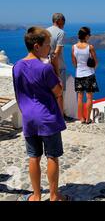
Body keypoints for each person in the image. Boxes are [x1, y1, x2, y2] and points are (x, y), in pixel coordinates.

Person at [12, 27, 69, 201]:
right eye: (47, 45)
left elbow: (18, 92)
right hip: (47, 117)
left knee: (33, 157)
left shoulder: (17, 66)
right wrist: (55, 68)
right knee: (52, 156)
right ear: (37, 46)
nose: (50, 49)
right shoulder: (45, 69)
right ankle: (54, 196)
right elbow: (58, 92)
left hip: (29, 117)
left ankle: (36, 196)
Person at [72, 27, 99, 124]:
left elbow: (74, 63)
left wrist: (80, 68)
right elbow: (96, 62)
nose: (90, 36)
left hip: (79, 74)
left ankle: (81, 118)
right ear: (86, 36)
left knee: (79, 97)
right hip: (89, 74)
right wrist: (92, 70)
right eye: (89, 34)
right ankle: (88, 119)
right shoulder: (90, 47)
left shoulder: (74, 47)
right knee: (89, 97)